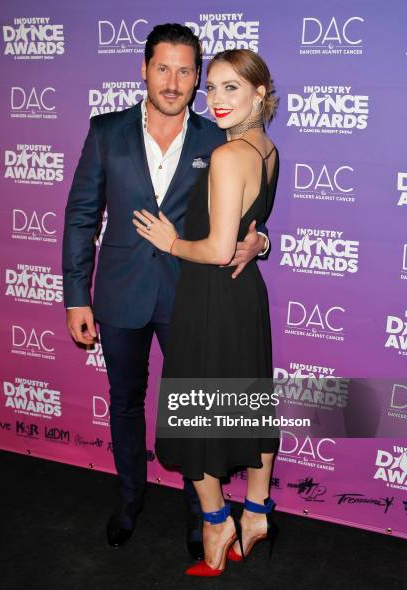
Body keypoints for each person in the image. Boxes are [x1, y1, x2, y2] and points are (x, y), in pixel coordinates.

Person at [62, 24, 270, 559]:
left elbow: (247, 200)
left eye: (185, 70)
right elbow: (82, 217)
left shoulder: (217, 135)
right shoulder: (105, 131)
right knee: (126, 403)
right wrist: (76, 297)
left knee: (195, 408)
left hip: (192, 298)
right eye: (163, 68)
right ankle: (130, 499)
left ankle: (202, 515)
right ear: (144, 70)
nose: (173, 82)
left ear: (196, 75)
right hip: (120, 294)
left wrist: (261, 239)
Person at [133, 48, 280, 577]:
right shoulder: (265, 150)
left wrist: (173, 242)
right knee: (245, 403)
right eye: (211, 87)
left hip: (211, 297)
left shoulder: (225, 155)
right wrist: (258, 240)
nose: (215, 99)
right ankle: (258, 512)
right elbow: (247, 226)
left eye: (230, 88)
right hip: (246, 298)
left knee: (196, 415)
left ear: (259, 94)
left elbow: (219, 250)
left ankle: (218, 521)